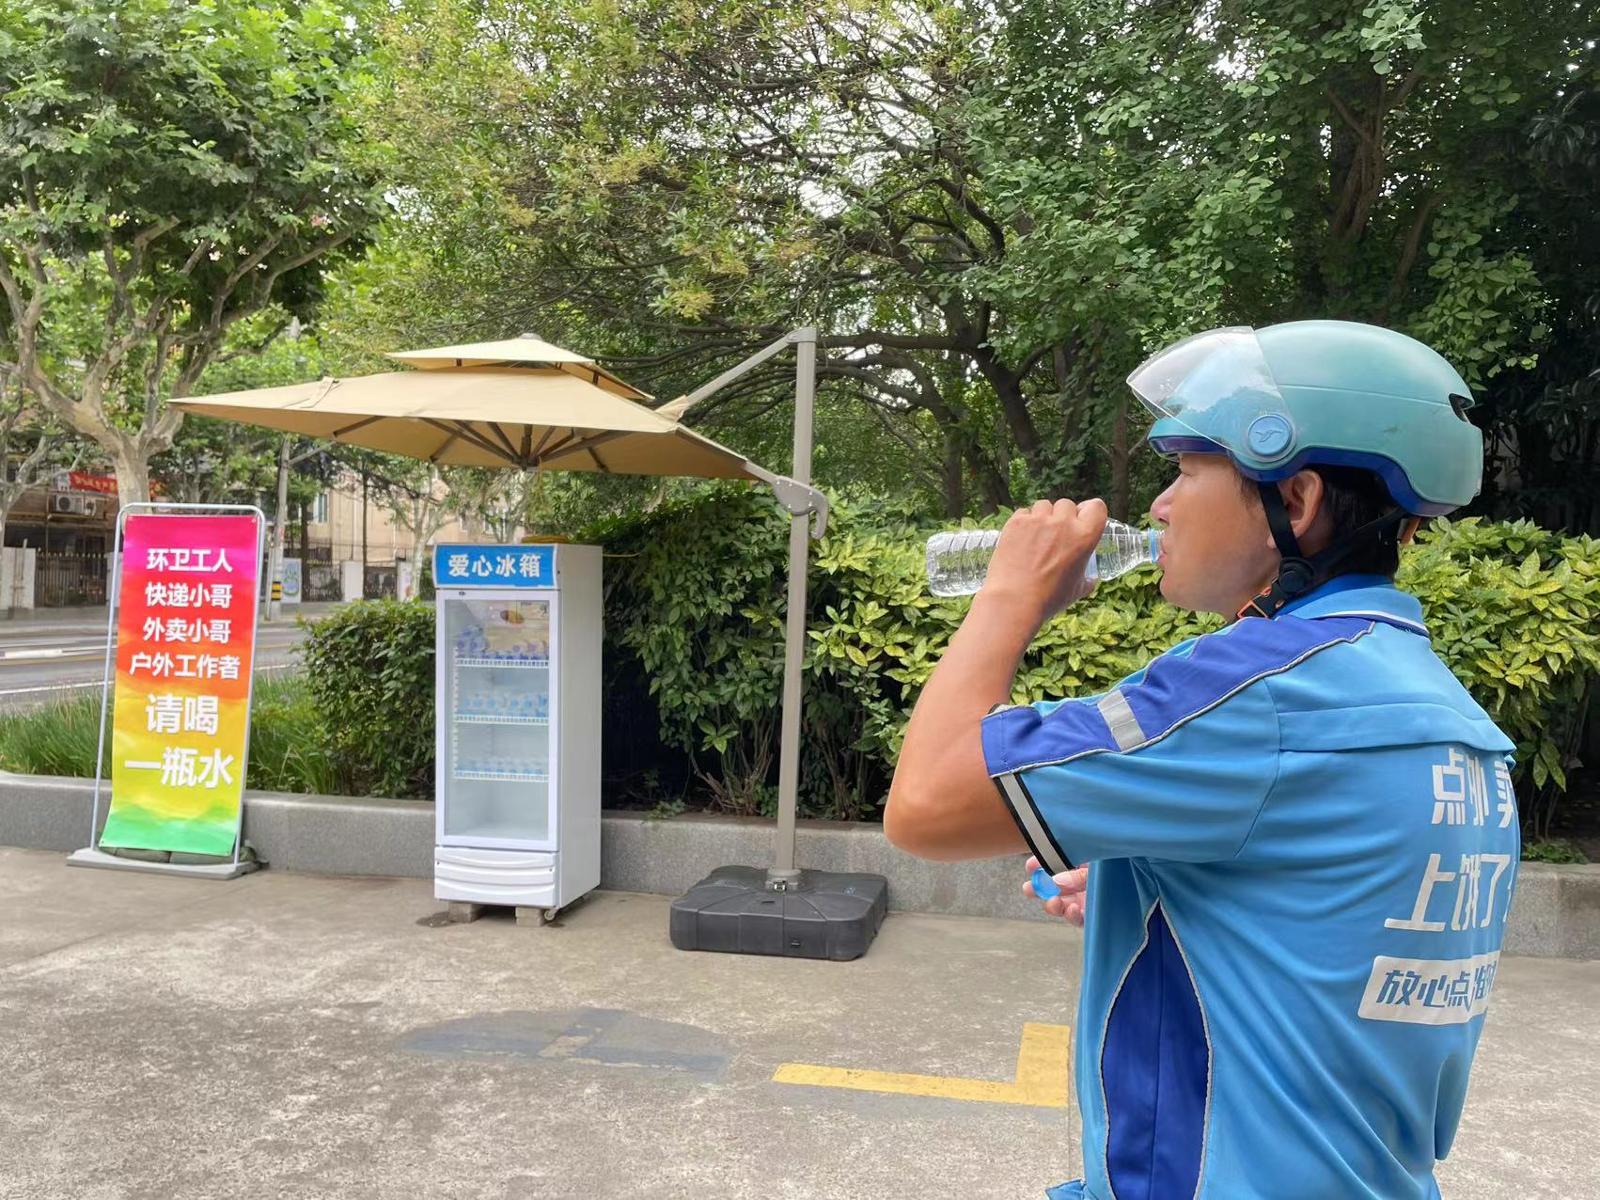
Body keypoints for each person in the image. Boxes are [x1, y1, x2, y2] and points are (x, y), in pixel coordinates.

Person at [885, 321, 1518, 1200]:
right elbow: (1330, 922)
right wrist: (1153, 889)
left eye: (1185, 470)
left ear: (1294, 499)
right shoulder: (1446, 711)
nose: (1158, 506)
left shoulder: (1253, 687)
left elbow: (923, 804)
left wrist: (1008, 595)